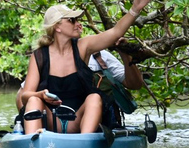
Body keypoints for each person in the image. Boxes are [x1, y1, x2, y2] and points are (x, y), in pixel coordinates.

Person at [19, 0, 154, 135]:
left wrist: (134, 10)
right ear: (57, 27)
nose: (78, 24)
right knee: (33, 100)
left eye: (78, 20)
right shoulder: (39, 56)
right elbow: (25, 96)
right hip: (52, 121)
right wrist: (41, 95)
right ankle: (33, 142)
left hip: (78, 120)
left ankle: (84, 142)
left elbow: (115, 32)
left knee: (94, 97)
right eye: (72, 20)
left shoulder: (84, 46)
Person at [14, 39, 142, 112]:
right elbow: (22, 94)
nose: (78, 25)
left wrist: (125, 54)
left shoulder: (100, 56)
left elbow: (134, 84)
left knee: (94, 100)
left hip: (97, 118)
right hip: (53, 118)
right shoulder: (46, 58)